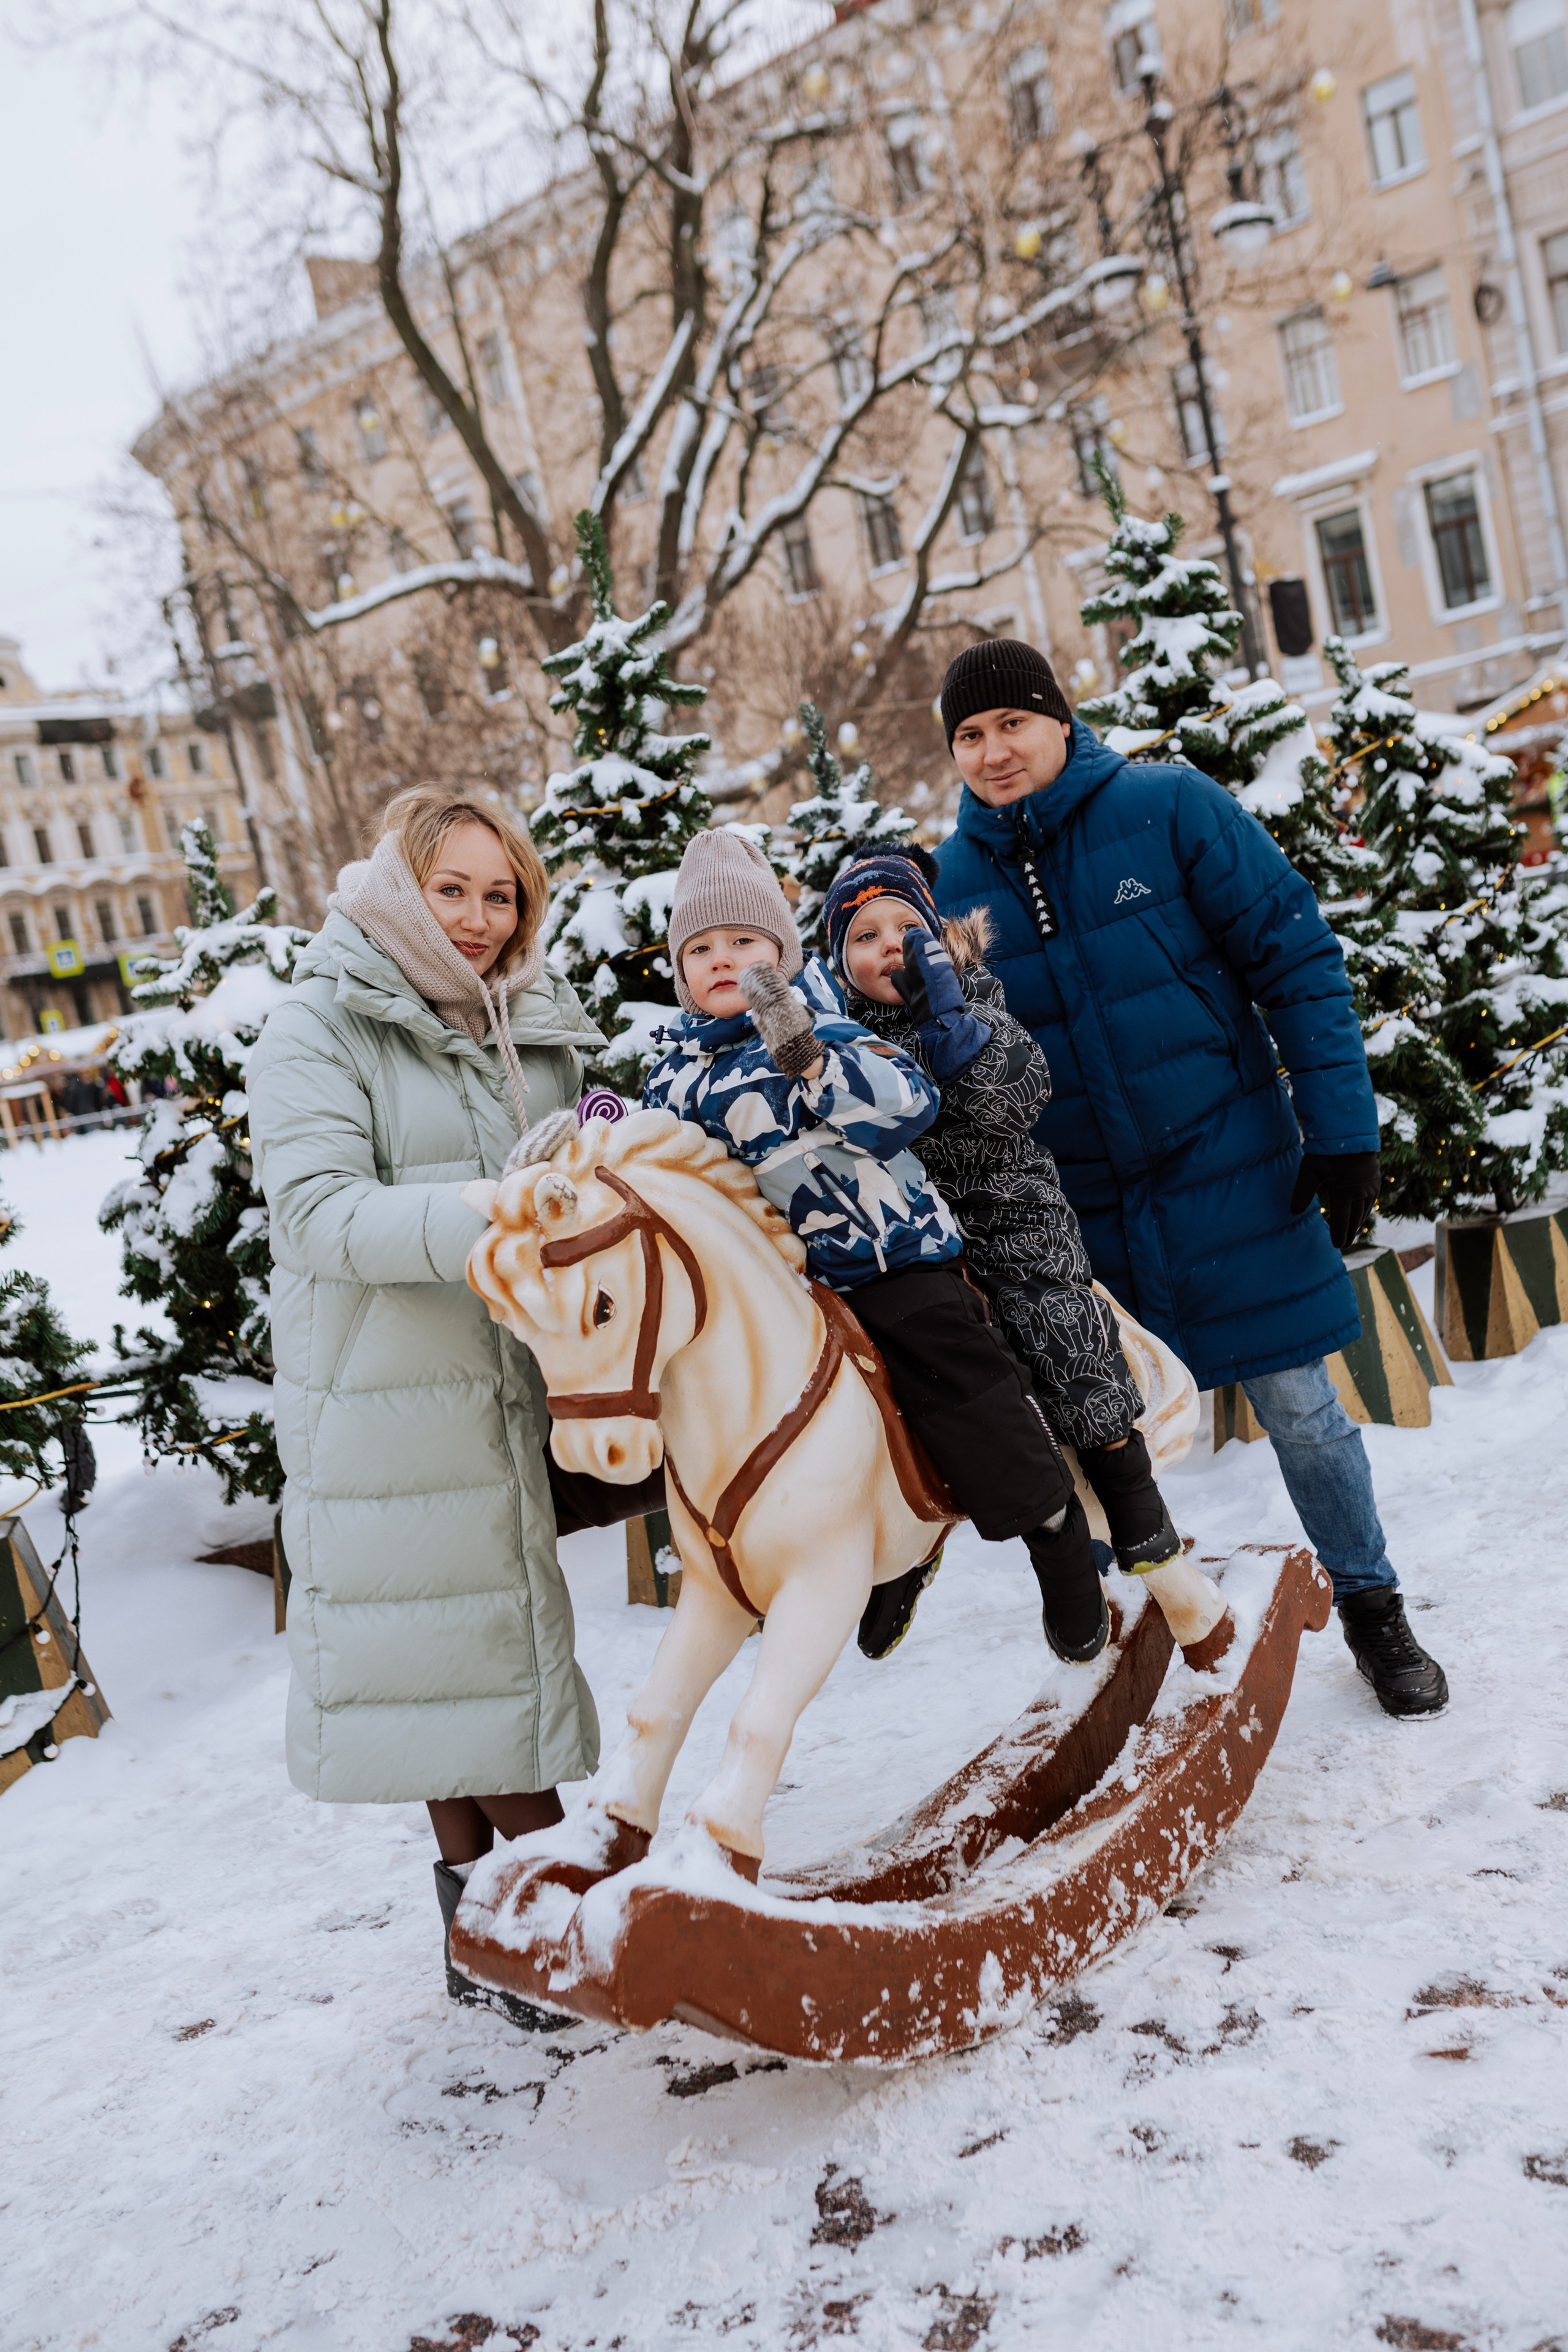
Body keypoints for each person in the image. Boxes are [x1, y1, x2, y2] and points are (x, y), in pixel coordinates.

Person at [931, 638, 1447, 1719]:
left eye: (1011, 724)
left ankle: (1373, 1604)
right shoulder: (954, 883)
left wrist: (1341, 1130)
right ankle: (1165, 1638)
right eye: (969, 736)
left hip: (1231, 1168)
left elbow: (1296, 959)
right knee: (1115, 1443)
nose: (993, 752)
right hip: (1085, 1213)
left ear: (1059, 721)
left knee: (1302, 1407)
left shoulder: (1171, 809)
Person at [247, 784, 609, 2024]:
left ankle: (483, 1946)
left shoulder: (532, 1022)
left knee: (456, 1674)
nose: (473, 917)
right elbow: (316, 1215)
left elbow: (584, 1157)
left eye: (497, 894)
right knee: (469, 1667)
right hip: (390, 1394)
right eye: (447, 889)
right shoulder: (319, 1026)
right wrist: (492, 1210)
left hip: (509, 1379)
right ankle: (556, 1942)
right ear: (398, 888)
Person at [641, 826, 1110, 1664]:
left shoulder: (824, 1023)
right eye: (702, 948)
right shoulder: (675, 1073)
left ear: (780, 953)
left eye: (745, 942)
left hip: (892, 1255)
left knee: (954, 1374)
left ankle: (1053, 1528)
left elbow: (906, 1109)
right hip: (788, 1283)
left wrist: (812, 1062)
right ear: (680, 971)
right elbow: (663, 1167)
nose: (724, 960)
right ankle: (877, 1548)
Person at [821, 845, 1181, 1595]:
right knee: (901, 1368)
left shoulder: (977, 1003)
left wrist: (951, 1028)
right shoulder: (839, 1042)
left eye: (903, 928)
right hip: (912, 1232)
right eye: (863, 936)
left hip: (1007, 1212)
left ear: (936, 939)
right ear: (837, 961)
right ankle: (905, 1550)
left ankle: (1127, 1482)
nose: (888, 944)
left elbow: (1015, 1102)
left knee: (1055, 1322)